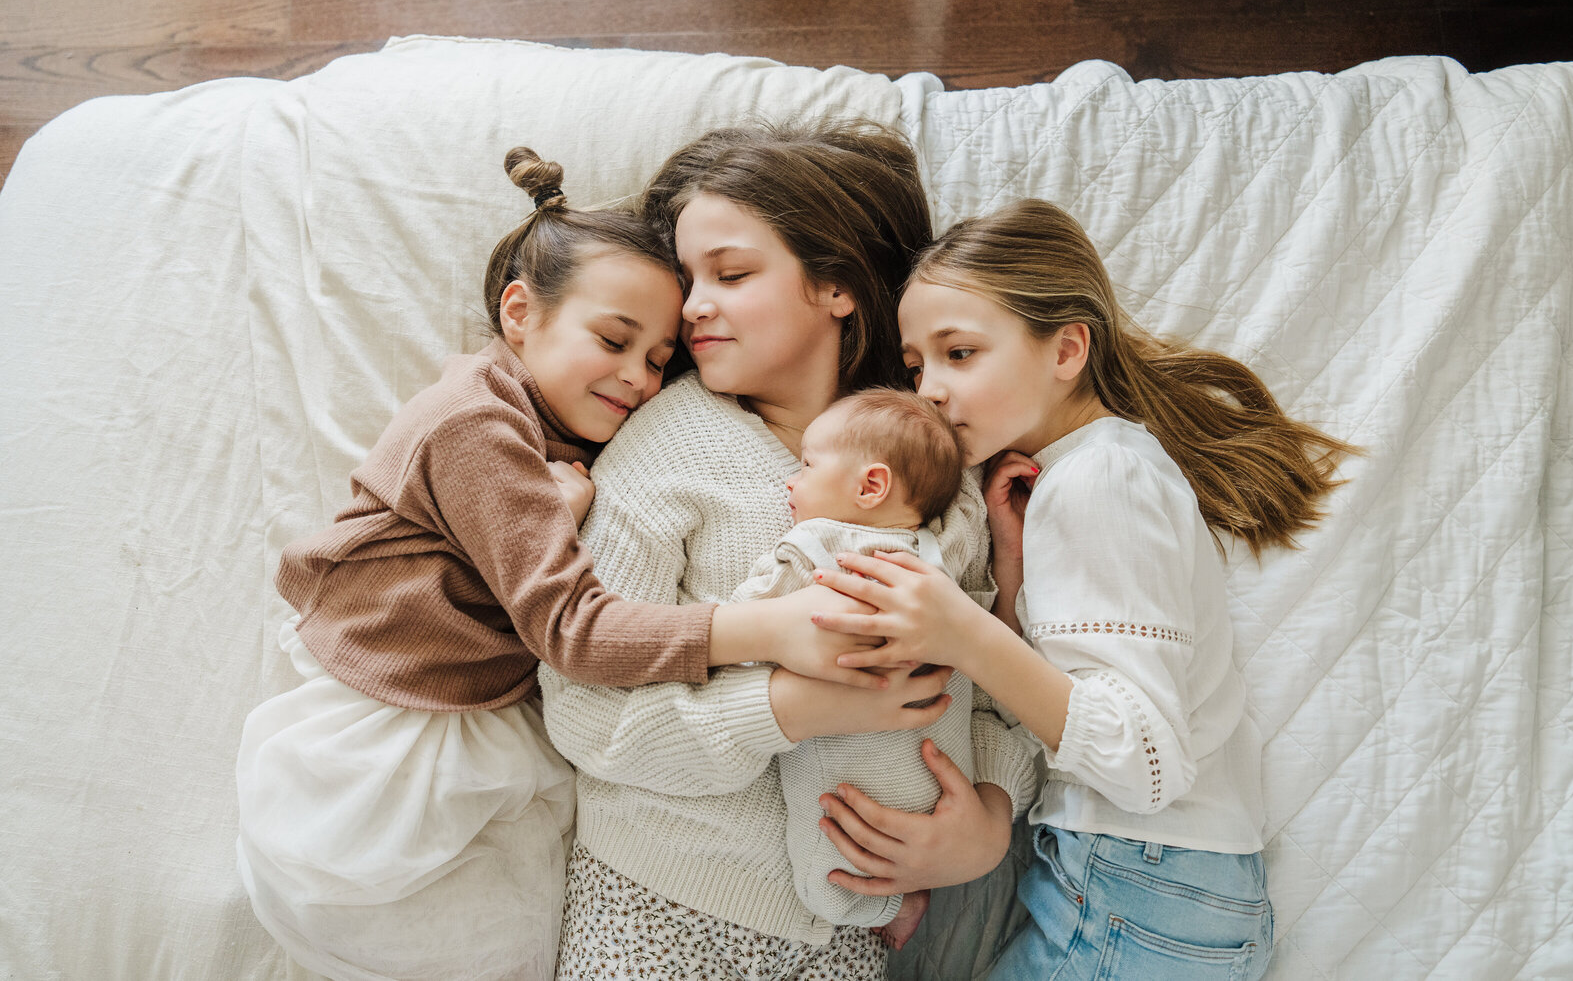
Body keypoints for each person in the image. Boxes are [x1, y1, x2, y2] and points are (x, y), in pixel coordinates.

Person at [234, 148, 887, 981]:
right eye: (615, 340)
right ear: (520, 312)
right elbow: (573, 627)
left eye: (658, 359)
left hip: (488, 716)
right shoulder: (472, 424)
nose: (638, 378)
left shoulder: (575, 433)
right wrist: (762, 628)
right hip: (398, 732)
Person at [538, 121, 1039, 981]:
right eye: (688, 278)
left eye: (730, 274)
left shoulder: (935, 474)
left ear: (837, 286)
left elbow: (1000, 687)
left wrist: (990, 817)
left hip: (850, 924)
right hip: (662, 900)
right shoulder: (663, 452)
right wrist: (788, 706)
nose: (693, 304)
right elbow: (586, 715)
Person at [812, 199, 1359, 980]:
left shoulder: (1102, 478)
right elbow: (1084, 681)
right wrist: (1012, 578)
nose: (928, 389)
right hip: (1156, 889)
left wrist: (962, 631)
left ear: (1067, 348)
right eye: (916, 366)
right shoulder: (1086, 474)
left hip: (1145, 885)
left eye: (959, 353)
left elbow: (1146, 761)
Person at [729, 388, 974, 950]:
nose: (790, 481)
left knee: (831, 858)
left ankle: (885, 904)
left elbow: (747, 616)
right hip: (937, 763)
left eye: (807, 466)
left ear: (870, 486)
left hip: (849, 757)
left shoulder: (818, 543)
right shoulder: (936, 556)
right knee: (896, 839)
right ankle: (910, 894)